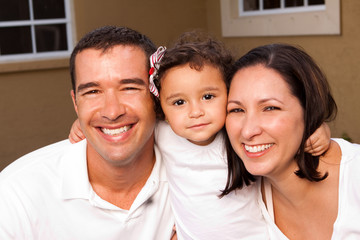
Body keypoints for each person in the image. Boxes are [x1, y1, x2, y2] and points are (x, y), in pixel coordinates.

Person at [70, 32, 331, 239]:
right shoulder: (164, 133)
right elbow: (126, 125)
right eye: (179, 103)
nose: (195, 112)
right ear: (161, 109)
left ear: (229, 93)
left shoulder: (239, 134)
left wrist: (315, 128)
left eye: (208, 97)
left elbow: (282, 133)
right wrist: (83, 124)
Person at [0, 26, 174, 239]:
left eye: (129, 88)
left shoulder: (202, 170)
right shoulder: (16, 193)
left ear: (157, 95)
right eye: (92, 92)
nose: (112, 112)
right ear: (76, 103)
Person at [225, 43, 360, 239]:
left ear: (309, 109)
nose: (248, 131)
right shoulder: (240, 200)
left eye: (270, 108)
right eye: (237, 110)